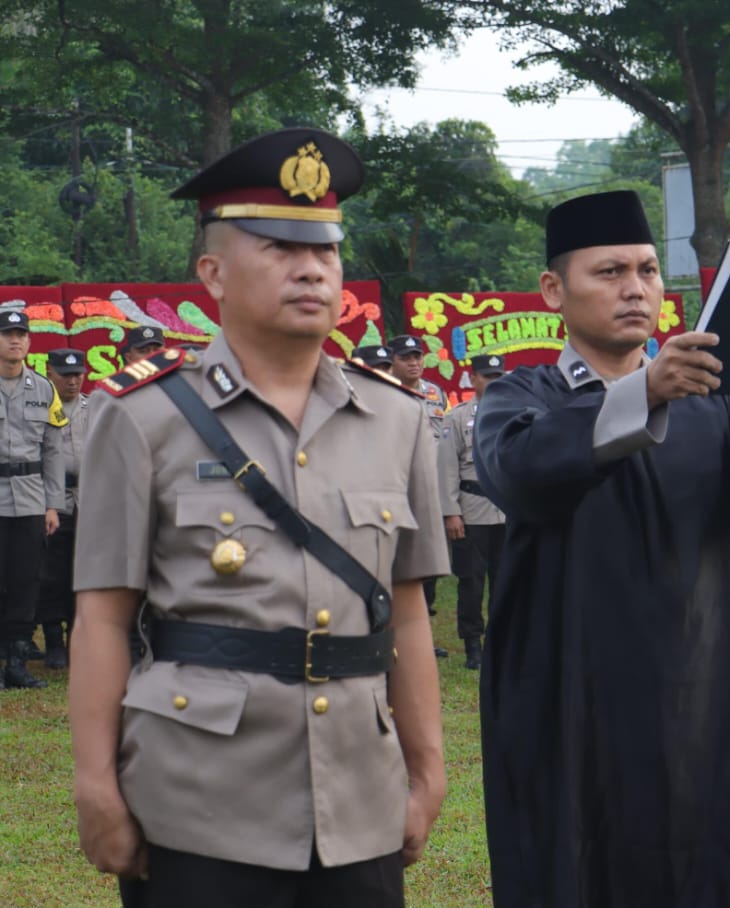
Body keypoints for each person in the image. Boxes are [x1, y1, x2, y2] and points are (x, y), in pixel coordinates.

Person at [68, 128, 449, 906]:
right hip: (199, 797)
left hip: (357, 795)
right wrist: (97, 787)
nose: (310, 268)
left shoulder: (396, 418)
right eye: (277, 247)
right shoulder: (143, 418)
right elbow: (103, 617)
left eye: (326, 251)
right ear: (211, 271)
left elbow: (406, 612)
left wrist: (428, 767)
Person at [472, 189, 730, 908]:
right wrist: (647, 396)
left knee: (690, 865)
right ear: (553, 291)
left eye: (648, 271)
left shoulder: (720, 407)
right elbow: (527, 474)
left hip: (689, 698)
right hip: (560, 702)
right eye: (608, 273)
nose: (635, 289)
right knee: (563, 869)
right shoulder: (521, 397)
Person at [0, 310, 65, 691]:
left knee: (26, 579)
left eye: (21, 334)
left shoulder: (44, 389)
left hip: (28, 496)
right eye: (8, 334)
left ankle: (17, 662)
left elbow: (53, 449)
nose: (15, 341)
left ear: (29, 342)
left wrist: (52, 503)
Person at [439, 353, 508, 670]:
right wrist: (451, 512)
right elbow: (447, 469)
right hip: (472, 510)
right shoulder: (457, 418)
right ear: (473, 378)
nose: (493, 382)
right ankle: (473, 645)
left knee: (506, 580)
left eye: (498, 376)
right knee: (471, 582)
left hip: (508, 512)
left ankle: (502, 641)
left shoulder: (515, 412)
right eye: (487, 376)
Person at [386, 332, 450, 645]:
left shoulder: (436, 393)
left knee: (428, 561)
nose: (414, 363)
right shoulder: (382, 391)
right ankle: (392, 631)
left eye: (417, 356)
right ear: (392, 361)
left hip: (430, 489)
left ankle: (422, 635)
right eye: (406, 358)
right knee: (397, 561)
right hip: (394, 488)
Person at [35, 348, 92, 668]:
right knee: (51, 572)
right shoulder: (40, 407)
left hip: (90, 495)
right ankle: (53, 639)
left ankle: (77, 638)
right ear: (50, 372)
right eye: (66, 374)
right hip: (53, 500)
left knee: (84, 572)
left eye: (78, 374)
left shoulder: (95, 407)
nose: (73, 380)